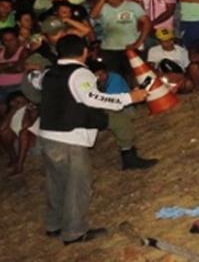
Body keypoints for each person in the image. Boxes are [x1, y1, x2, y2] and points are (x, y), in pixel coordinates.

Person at [37, 35, 149, 244]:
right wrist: (128, 98)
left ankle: (54, 225)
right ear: (84, 52)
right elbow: (93, 98)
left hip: (48, 135)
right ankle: (74, 232)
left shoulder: (49, 73)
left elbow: (35, 87)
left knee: (57, 183)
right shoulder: (80, 73)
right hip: (69, 137)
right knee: (78, 185)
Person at [90, 0, 151, 75]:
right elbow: (93, 15)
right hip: (108, 49)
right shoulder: (102, 7)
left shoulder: (133, 6)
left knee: (133, 76)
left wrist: (138, 43)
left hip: (130, 48)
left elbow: (147, 23)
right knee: (113, 77)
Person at [0, 91, 38, 176]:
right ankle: (13, 158)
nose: (17, 102)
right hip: (19, 144)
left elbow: (26, 125)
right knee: (4, 132)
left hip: (34, 144)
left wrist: (27, 111)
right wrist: (13, 110)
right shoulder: (12, 111)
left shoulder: (32, 109)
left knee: (24, 132)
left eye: (19, 99)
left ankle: (19, 166)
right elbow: (2, 128)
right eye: (14, 100)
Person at [146, 28, 194, 93]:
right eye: (165, 41)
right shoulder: (153, 50)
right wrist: (160, 75)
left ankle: (173, 90)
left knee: (189, 85)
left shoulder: (182, 51)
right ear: (158, 42)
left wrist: (179, 82)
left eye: (170, 40)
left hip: (178, 77)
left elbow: (188, 70)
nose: (169, 42)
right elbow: (150, 67)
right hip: (162, 77)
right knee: (147, 80)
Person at [0, 27, 28, 108]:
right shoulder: (1, 51)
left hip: (17, 88)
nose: (9, 42)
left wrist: (2, 68)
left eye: (12, 39)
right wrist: (11, 64)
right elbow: (16, 67)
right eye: (6, 40)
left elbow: (19, 68)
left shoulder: (23, 51)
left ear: (17, 38)